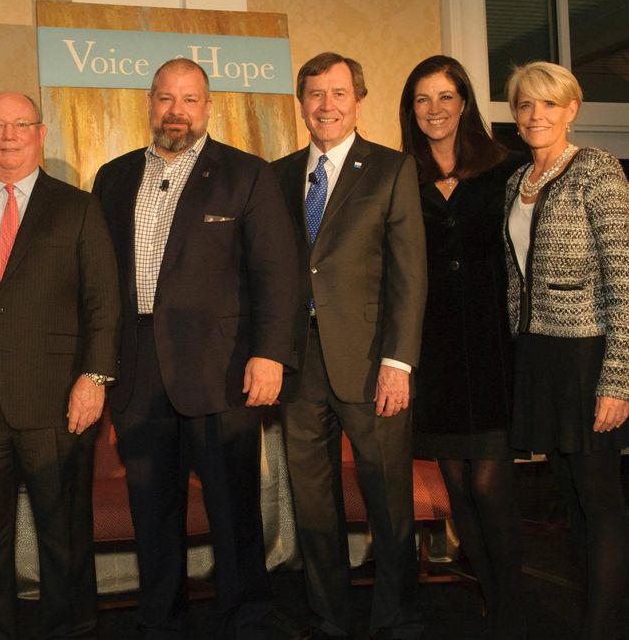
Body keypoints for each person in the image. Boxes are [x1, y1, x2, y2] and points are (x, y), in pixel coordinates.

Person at [92, 57, 299, 639]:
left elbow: (278, 273)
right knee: (152, 515)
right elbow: (99, 281)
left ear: (208, 107)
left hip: (222, 369)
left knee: (233, 513)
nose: (175, 111)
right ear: (150, 103)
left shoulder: (245, 175)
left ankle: (248, 623)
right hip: (137, 372)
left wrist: (271, 354)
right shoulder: (113, 177)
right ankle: (161, 623)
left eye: (188, 99)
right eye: (165, 98)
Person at [0, 91, 120, 639]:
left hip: (56, 402)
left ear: (41, 134)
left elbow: (103, 301)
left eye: (20, 124)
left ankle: (72, 629)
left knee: (63, 537)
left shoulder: (78, 207)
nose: (8, 135)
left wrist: (93, 380)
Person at [272, 52, 427, 640]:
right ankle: (330, 617)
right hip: (298, 366)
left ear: (358, 99)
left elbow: (410, 276)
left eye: (338, 92)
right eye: (314, 93)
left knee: (388, 503)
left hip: (370, 365)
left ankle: (398, 618)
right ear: (302, 103)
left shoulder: (391, 169)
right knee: (313, 507)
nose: (326, 105)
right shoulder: (279, 173)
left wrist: (398, 362)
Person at [398, 55, 525, 639]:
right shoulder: (401, 175)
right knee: (456, 485)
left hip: (495, 346)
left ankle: (512, 602)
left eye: (445, 97)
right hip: (436, 350)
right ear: (411, 110)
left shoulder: (507, 170)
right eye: (423, 99)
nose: (435, 109)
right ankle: (491, 597)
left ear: (465, 103)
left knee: (488, 481)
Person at [503, 61, 628, 640]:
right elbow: (515, 277)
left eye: (548, 104)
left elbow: (623, 281)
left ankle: (605, 625)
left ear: (572, 110)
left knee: (599, 499)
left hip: (587, 354)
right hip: (539, 354)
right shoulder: (516, 181)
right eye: (525, 105)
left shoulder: (597, 172)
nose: (535, 116)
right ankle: (588, 609)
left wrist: (618, 380)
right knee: (569, 495)